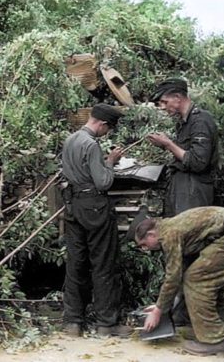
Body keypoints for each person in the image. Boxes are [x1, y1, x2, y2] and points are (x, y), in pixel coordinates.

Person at [131, 206, 224, 356]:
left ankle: (214, 340)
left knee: (196, 280)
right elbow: (179, 275)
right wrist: (160, 306)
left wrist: (158, 311)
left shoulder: (168, 235)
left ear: (151, 234)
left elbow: (173, 277)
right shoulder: (171, 226)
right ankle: (219, 329)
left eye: (143, 244)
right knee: (208, 279)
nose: (145, 249)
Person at [60, 103, 131, 337]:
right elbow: (103, 182)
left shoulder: (70, 140)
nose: (107, 133)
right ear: (101, 124)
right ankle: (105, 325)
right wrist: (110, 161)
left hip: (73, 206)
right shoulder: (91, 145)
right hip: (95, 208)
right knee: (103, 264)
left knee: (76, 263)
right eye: (108, 129)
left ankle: (73, 322)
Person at [146, 78, 219, 217]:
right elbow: (184, 153)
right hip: (183, 188)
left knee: (189, 235)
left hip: (194, 191)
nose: (162, 107)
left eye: (164, 102)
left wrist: (168, 143)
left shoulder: (200, 121)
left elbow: (198, 162)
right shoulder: (184, 122)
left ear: (177, 97)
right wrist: (164, 145)